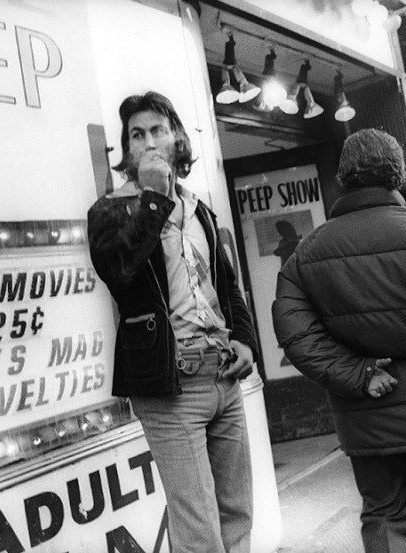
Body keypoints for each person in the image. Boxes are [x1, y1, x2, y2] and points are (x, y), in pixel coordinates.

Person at [272, 128, 406, 553]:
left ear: (343, 177)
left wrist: (357, 373)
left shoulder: (306, 254)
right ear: (399, 174)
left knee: (383, 515)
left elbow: (295, 332)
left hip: (362, 409)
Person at [87, 91, 258, 553]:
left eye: (157, 130)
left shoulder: (201, 207)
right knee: (199, 533)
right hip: (171, 384)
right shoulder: (110, 211)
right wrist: (153, 198)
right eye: (136, 135)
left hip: (223, 376)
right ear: (127, 150)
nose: (148, 141)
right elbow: (119, 272)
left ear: (178, 137)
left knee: (237, 514)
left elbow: (226, 286)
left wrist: (243, 338)